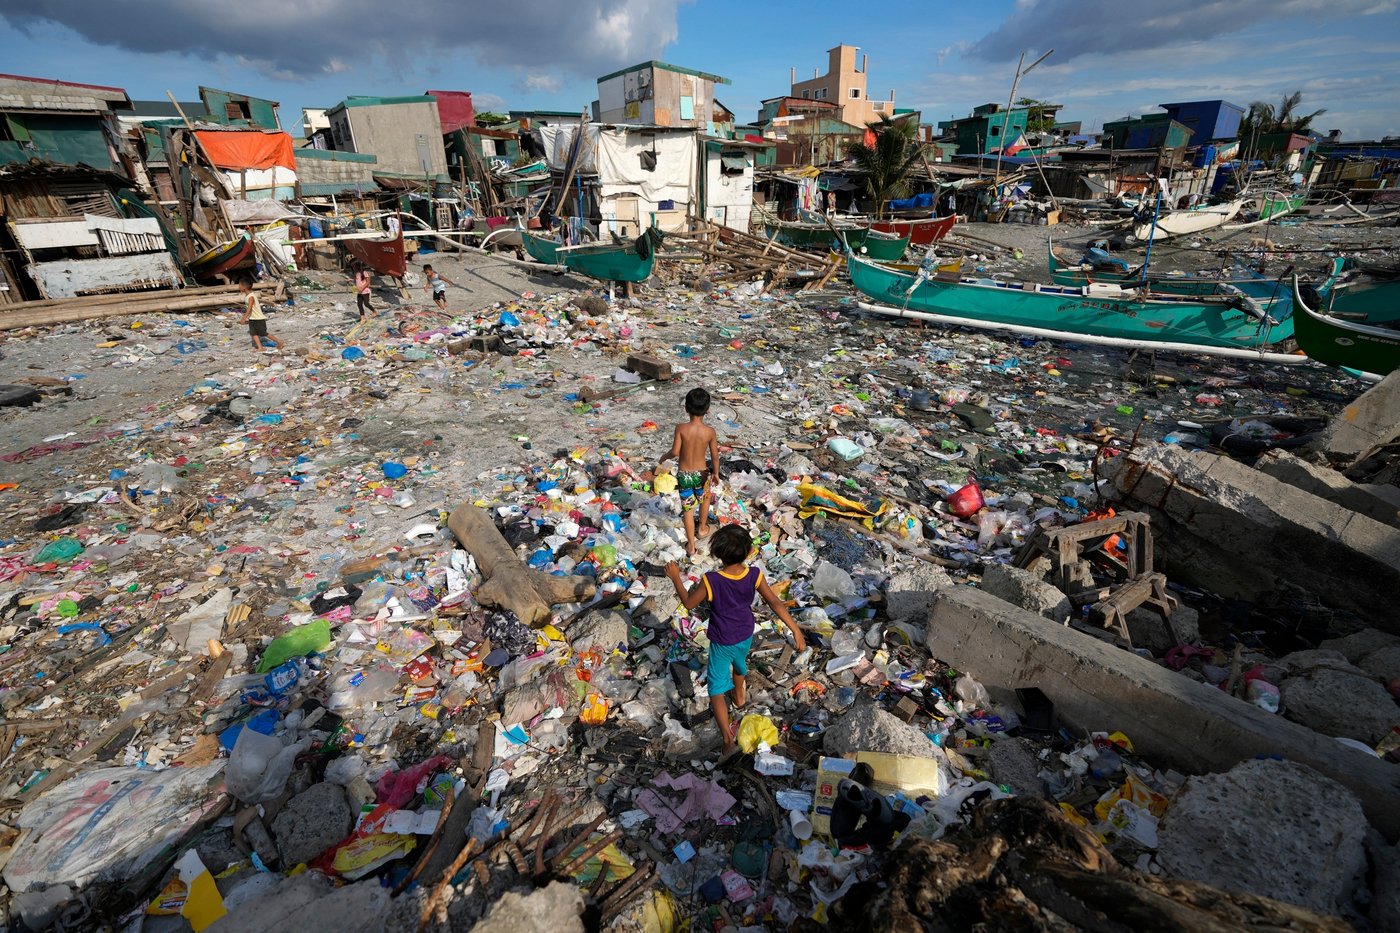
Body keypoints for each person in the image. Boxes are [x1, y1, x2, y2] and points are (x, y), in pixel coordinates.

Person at [665, 525, 806, 759]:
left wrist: (675, 578)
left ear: (717, 553)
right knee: (740, 663)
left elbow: (688, 604)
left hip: (722, 640)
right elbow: (774, 602)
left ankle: (727, 740)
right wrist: (796, 630)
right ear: (749, 551)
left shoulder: (711, 580)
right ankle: (740, 696)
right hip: (745, 634)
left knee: (716, 687)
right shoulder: (754, 575)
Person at [657, 387, 719, 556]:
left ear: (686, 408)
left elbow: (675, 452)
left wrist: (663, 457)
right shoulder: (710, 431)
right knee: (705, 499)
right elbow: (715, 456)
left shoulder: (681, 428)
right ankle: (703, 529)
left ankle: (691, 545)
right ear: (707, 409)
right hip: (702, 474)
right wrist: (716, 473)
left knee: (688, 510)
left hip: (684, 475)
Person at [238, 280, 281, 352]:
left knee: (263, 333)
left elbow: (249, 308)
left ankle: (279, 341)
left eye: (240, 285)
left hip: (258, 318)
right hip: (252, 318)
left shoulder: (251, 297)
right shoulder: (248, 296)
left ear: (244, 287)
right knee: (253, 333)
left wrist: (243, 318)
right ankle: (260, 347)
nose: (239, 287)